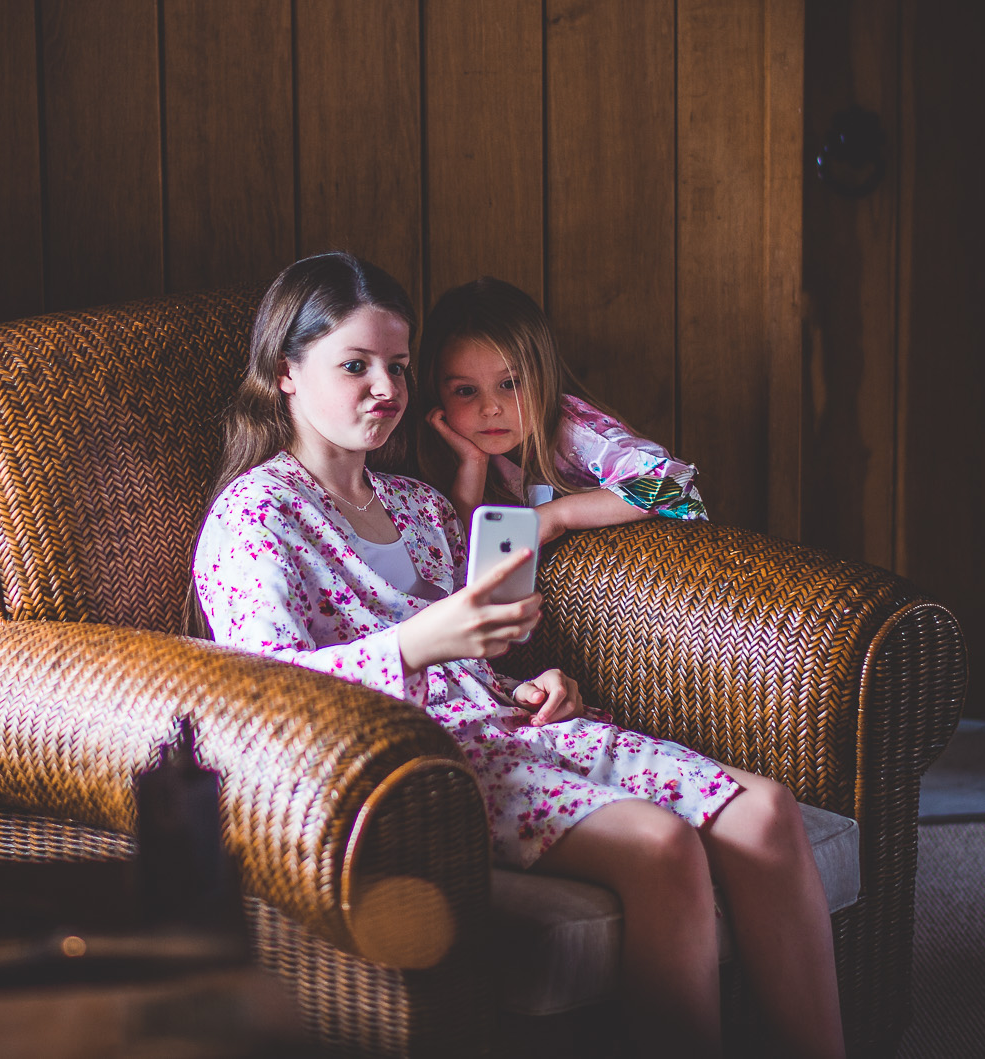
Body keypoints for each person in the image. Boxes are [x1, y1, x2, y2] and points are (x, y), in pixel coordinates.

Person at [191, 253, 844, 1059]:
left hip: (514, 727)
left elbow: (474, 646)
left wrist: (535, 680)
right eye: (354, 365)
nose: (387, 388)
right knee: (659, 842)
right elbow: (260, 695)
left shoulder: (419, 503)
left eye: (397, 366)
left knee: (767, 810)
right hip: (416, 762)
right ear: (287, 373)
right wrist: (423, 644)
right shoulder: (256, 515)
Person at [418, 275, 707, 543]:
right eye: (466, 391)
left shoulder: (573, 429)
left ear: (543, 377)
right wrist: (473, 464)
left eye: (511, 383)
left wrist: (556, 516)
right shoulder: (444, 453)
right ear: (436, 391)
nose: (490, 408)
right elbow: (463, 553)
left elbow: (672, 483)